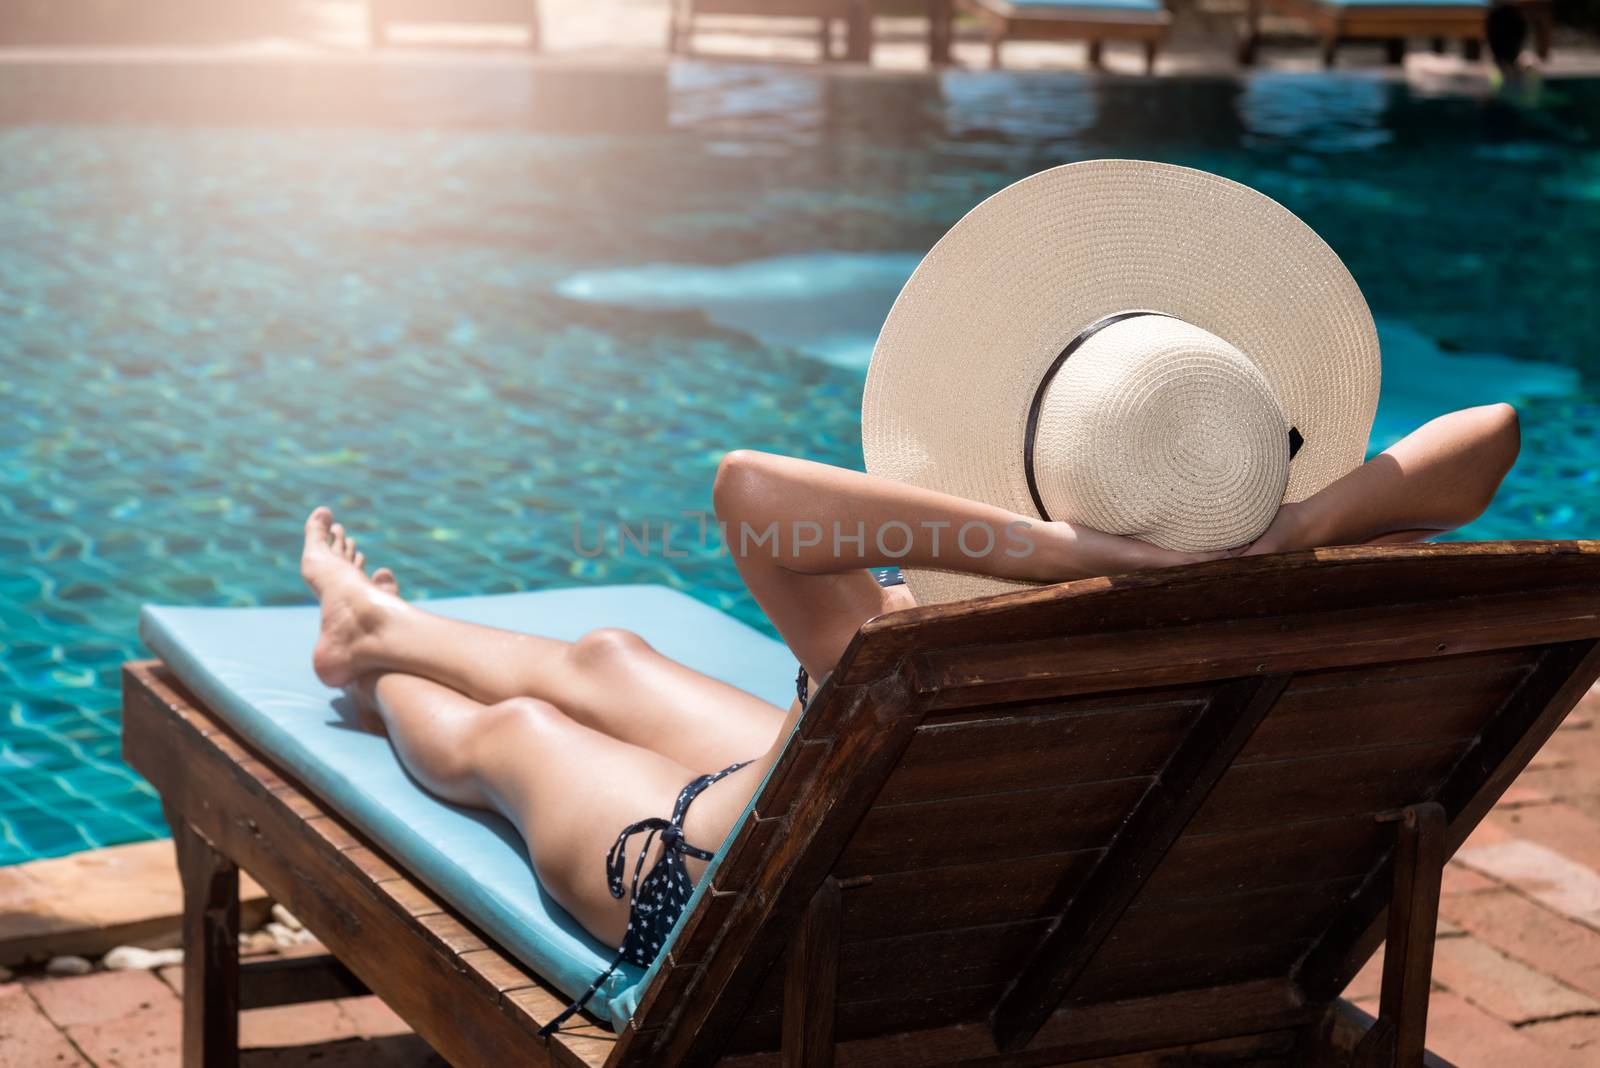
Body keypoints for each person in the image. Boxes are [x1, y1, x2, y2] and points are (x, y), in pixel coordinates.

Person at [296, 161, 1521, 1029]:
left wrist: (1065, 553)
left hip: (744, 909)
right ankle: (383, 622)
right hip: (971, 877)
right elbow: (1492, 436)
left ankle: (373, 664)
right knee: (611, 656)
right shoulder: (1293, 603)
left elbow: (752, 491)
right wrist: (1288, 526)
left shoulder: (939, 638)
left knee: (515, 734)